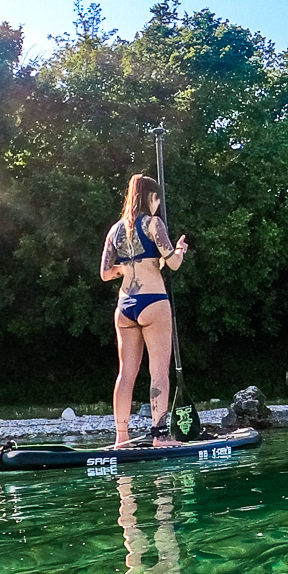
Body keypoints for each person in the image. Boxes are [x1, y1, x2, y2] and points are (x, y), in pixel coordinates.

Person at [100, 174, 189, 447]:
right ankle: (160, 436)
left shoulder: (114, 230)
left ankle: (121, 437)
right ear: (151, 197)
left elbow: (105, 273)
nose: (158, 205)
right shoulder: (154, 223)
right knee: (159, 371)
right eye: (157, 199)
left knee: (126, 373)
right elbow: (171, 263)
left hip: (125, 304)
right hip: (153, 301)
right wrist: (180, 250)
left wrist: (126, 269)